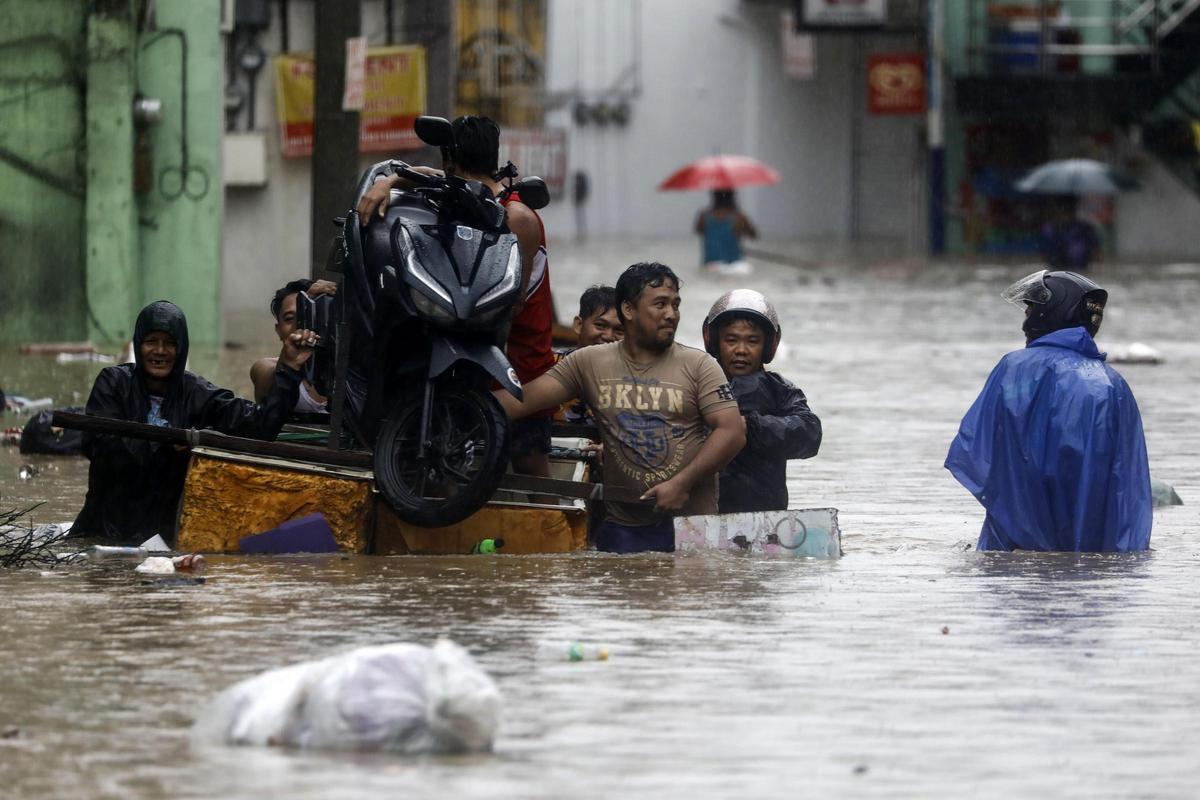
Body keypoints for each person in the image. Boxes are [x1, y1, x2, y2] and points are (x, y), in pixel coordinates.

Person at [494, 262, 747, 553]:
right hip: (623, 526)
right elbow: (520, 400)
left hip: (691, 528)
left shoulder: (700, 366)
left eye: (675, 305)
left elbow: (732, 432)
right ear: (628, 309)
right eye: (660, 304)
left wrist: (682, 483)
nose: (671, 314)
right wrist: (461, 406)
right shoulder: (588, 362)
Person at [356, 116, 556, 481]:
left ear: (449, 157)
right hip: (469, 345)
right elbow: (426, 175)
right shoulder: (461, 195)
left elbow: (511, 305)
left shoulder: (516, 216)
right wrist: (389, 181)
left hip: (520, 359)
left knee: (529, 465)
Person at [71, 300, 316, 544]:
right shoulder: (113, 383)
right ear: (138, 345)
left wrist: (289, 370)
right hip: (102, 531)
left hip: (164, 539)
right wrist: (166, 444)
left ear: (182, 348)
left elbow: (259, 428)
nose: (160, 351)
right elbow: (98, 446)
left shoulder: (198, 394)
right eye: (151, 342)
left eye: (170, 343)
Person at [945, 270, 1152, 552]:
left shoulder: (1016, 368)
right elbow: (1127, 481)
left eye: (1030, 308)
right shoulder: (1114, 383)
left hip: (1017, 540)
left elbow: (977, 450)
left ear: (1053, 310)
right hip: (1096, 538)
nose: (1025, 318)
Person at [701, 289, 822, 514]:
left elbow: (810, 434)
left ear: (768, 346)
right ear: (714, 341)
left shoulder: (780, 390)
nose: (741, 350)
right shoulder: (695, 384)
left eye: (752, 341)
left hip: (765, 516)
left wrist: (750, 426)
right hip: (704, 514)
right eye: (731, 340)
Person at [251, 278, 339, 409]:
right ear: (278, 330)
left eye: (307, 314)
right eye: (290, 318)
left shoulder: (347, 367)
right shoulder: (264, 367)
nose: (300, 324)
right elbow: (275, 383)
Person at [556, 285, 622, 425]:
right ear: (579, 325)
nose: (608, 336)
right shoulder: (549, 366)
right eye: (600, 325)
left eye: (620, 330)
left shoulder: (635, 379)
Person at [695, 189, 757, 276]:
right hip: (734, 264)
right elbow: (753, 235)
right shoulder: (739, 217)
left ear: (714, 197)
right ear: (732, 197)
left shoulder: (704, 215)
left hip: (711, 263)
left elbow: (699, 231)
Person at [1038, 196, 1099, 270]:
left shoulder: (1084, 228)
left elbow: (1094, 247)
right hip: (1057, 265)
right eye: (1061, 213)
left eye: (1066, 213)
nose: (1063, 216)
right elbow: (1044, 248)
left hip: (1080, 266)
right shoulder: (1050, 229)